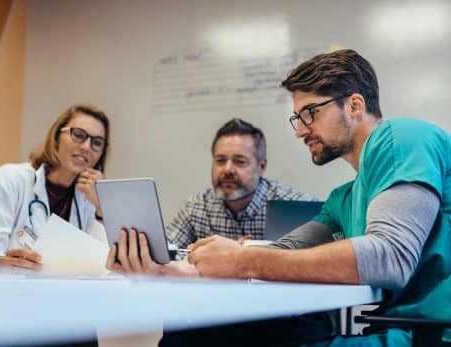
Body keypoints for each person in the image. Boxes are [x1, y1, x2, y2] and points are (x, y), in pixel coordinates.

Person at [108, 49, 450, 346]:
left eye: (309, 113)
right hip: (401, 332)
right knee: (191, 334)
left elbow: (391, 256)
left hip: (428, 336)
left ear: (355, 105)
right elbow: (282, 252)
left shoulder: (402, 137)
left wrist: (242, 261)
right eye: (297, 118)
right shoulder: (342, 199)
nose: (300, 130)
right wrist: (168, 271)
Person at [0, 104, 110, 272]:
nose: (86, 147)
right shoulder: (11, 178)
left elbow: (106, 266)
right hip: (8, 290)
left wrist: (101, 206)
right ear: (56, 137)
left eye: (97, 143)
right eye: (78, 135)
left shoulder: (91, 200)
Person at [167, 117, 315, 249]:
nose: (228, 169)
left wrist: (243, 257)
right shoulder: (197, 206)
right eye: (220, 160)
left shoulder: (297, 206)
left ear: (261, 166)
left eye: (240, 161)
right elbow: (164, 254)